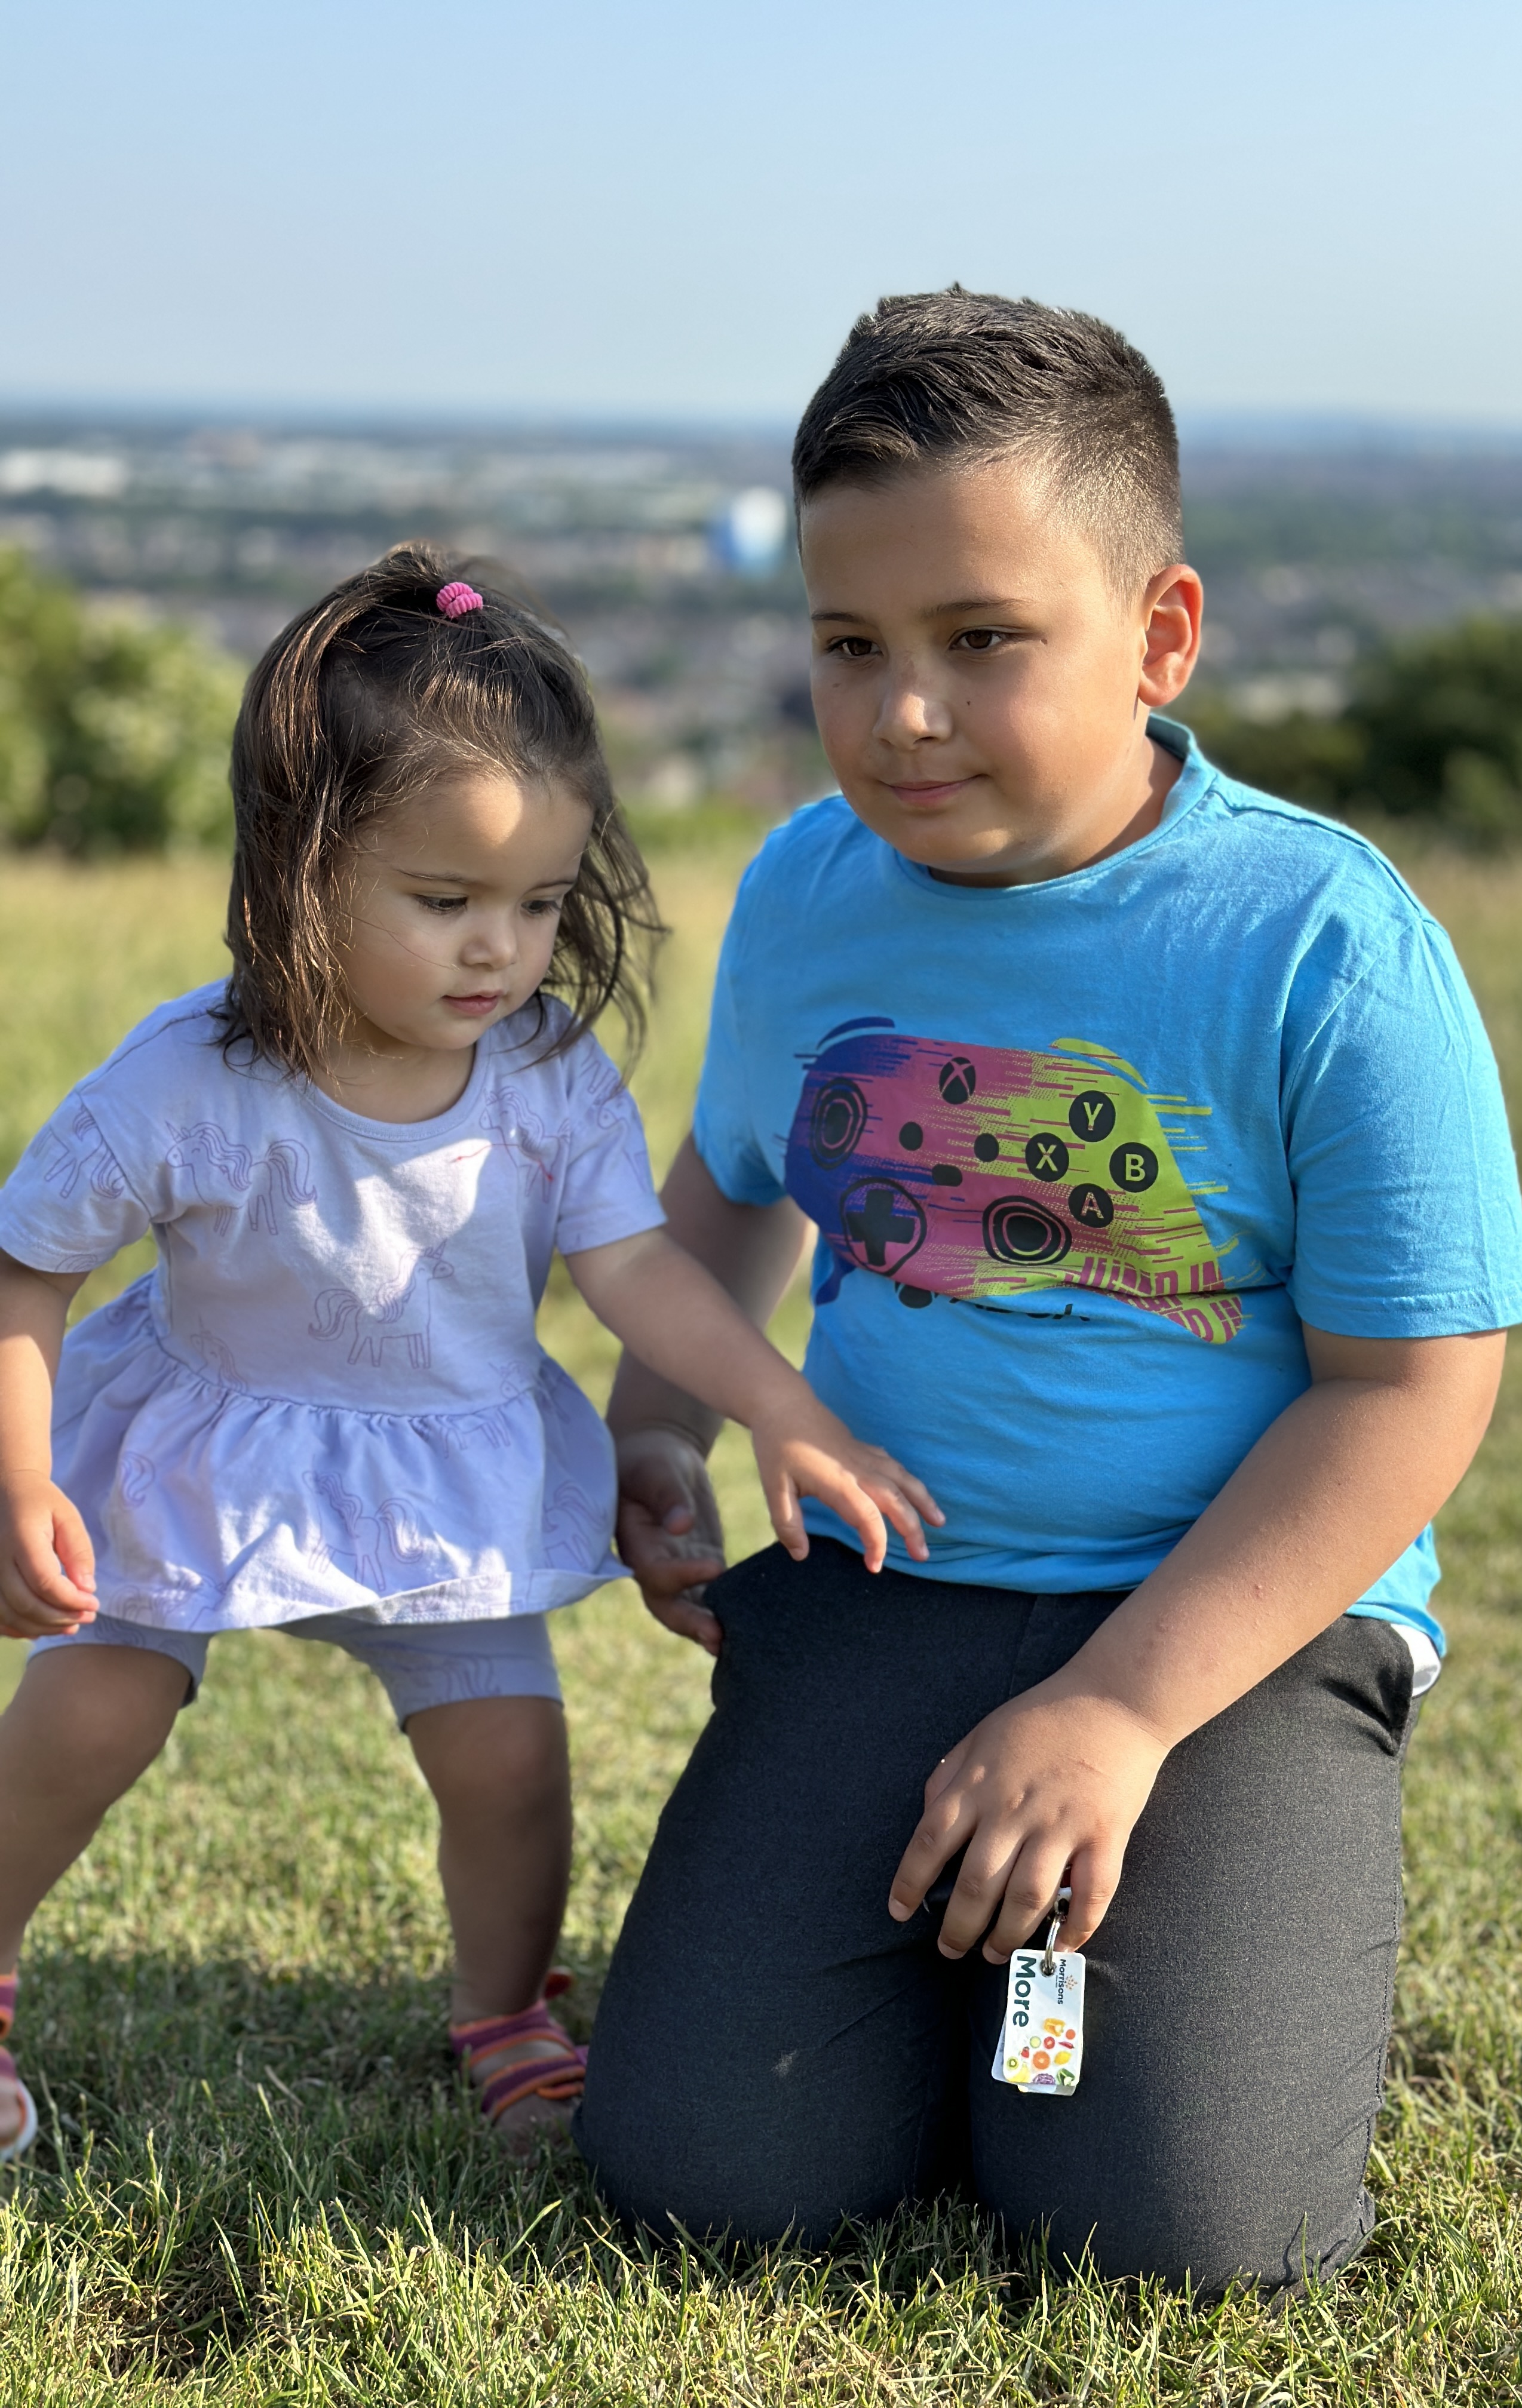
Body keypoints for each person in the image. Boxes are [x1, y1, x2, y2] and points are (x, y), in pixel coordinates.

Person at [575, 292, 1522, 2292]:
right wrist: (658, 1424)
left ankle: (1083, 2008)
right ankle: (941, 1967)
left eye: (982, 641)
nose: (902, 714)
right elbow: (739, 1190)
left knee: (1172, 2233)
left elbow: (1411, 1391)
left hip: (1228, 1628)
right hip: (888, 1586)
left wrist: (1115, 1708)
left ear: (1160, 636)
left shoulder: (1323, 941)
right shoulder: (804, 889)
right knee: (708, 2176)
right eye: (851, 645)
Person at [0, 546, 938, 2163]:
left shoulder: (547, 1077)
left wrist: (782, 1411)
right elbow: (30, 1267)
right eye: (444, 903)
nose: (498, 950)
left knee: (511, 1763)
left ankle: (504, 2010)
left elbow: (638, 1271)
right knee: (88, 1721)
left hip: (444, 1474)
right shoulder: (188, 1080)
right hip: (199, 1453)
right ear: (299, 867)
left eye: (540, 903)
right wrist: (21, 1476)